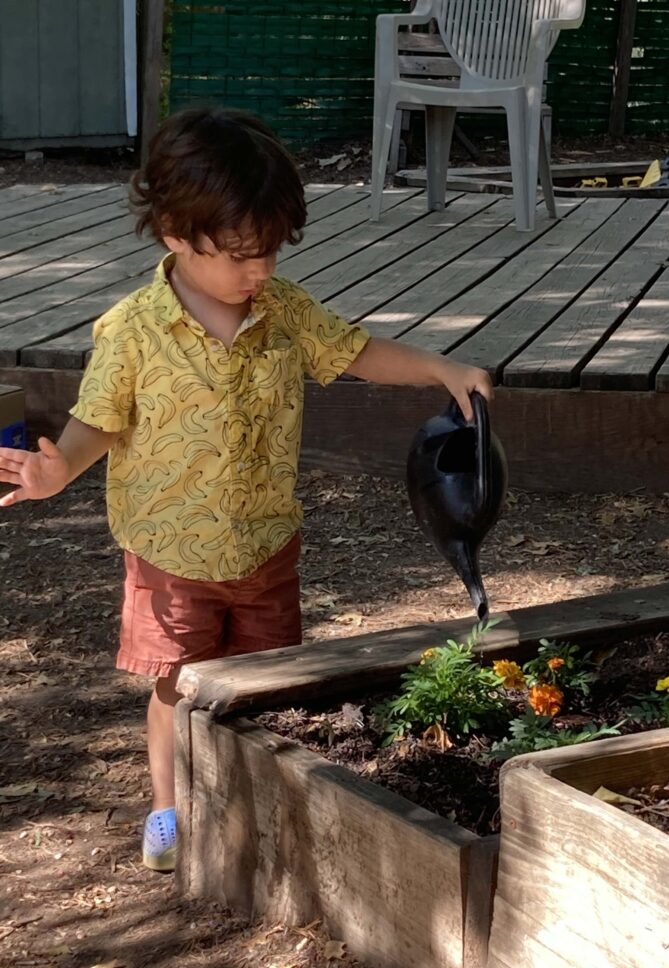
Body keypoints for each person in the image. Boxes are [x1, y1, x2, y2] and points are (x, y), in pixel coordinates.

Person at [0, 108, 492, 872]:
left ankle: (264, 815)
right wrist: (57, 468)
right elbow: (97, 420)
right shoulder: (132, 331)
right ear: (173, 232)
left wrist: (442, 369)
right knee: (179, 688)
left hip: (265, 545)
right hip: (170, 556)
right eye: (236, 255)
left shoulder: (283, 310)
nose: (257, 271)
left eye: (268, 251)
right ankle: (168, 807)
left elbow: (356, 351)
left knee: (269, 692)